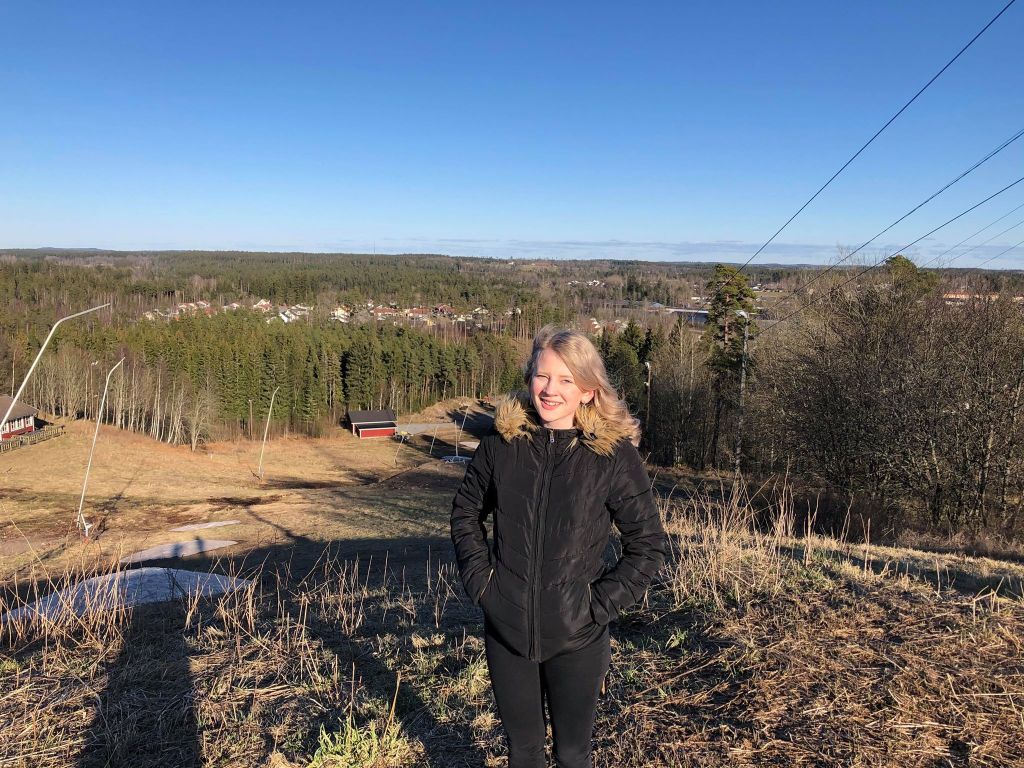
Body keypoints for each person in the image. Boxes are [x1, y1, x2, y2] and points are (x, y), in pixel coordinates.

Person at [450, 325, 669, 768]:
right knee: (523, 751)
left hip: (578, 637)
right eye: (543, 376)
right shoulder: (500, 444)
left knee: (572, 754)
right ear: (530, 377)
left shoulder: (612, 456)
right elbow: (466, 514)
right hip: (507, 630)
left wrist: (594, 607)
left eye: (566, 380)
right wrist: (484, 586)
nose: (550, 390)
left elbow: (647, 545)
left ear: (588, 390)